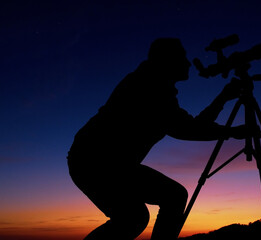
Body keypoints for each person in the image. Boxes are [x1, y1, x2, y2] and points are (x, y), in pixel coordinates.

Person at [67, 38, 251, 240]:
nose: (189, 63)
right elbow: (188, 129)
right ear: (168, 60)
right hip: (95, 162)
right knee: (165, 201)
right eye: (183, 58)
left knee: (135, 217)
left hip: (103, 162)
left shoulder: (153, 83)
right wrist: (230, 131)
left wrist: (223, 99)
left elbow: (189, 125)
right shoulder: (150, 86)